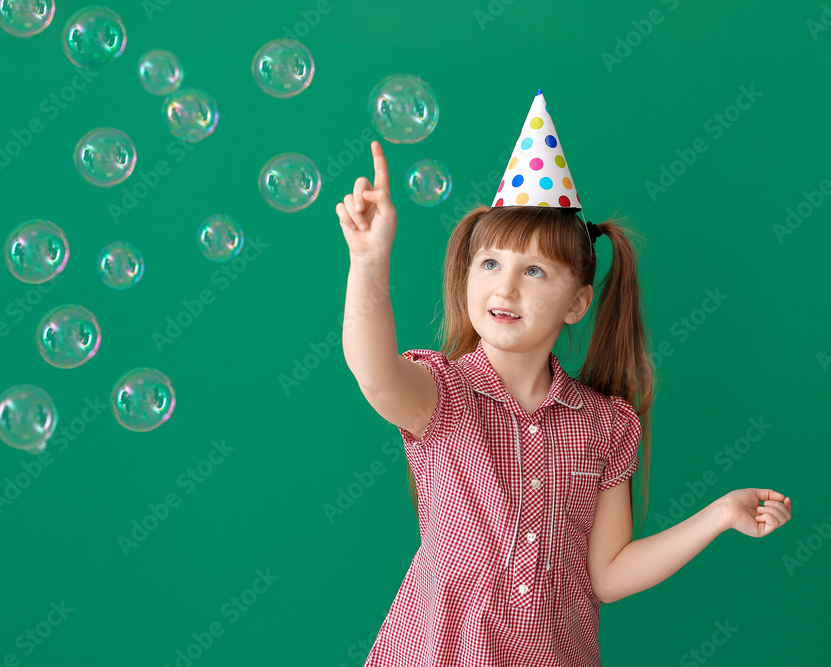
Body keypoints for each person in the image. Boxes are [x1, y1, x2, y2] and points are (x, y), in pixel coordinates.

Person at [336, 90, 792, 667]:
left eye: (533, 271)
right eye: (490, 264)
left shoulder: (606, 425)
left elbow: (608, 573)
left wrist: (719, 516)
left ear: (577, 303)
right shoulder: (442, 396)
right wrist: (369, 263)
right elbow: (374, 373)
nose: (505, 288)